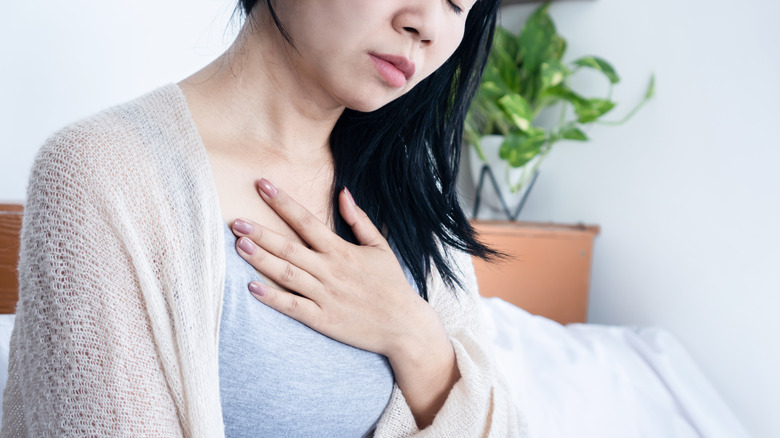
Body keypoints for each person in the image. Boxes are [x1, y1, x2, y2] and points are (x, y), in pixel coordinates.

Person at [2, 0, 524, 436]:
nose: (427, 25)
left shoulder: (411, 184)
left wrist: (414, 336)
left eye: (459, 2)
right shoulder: (101, 172)